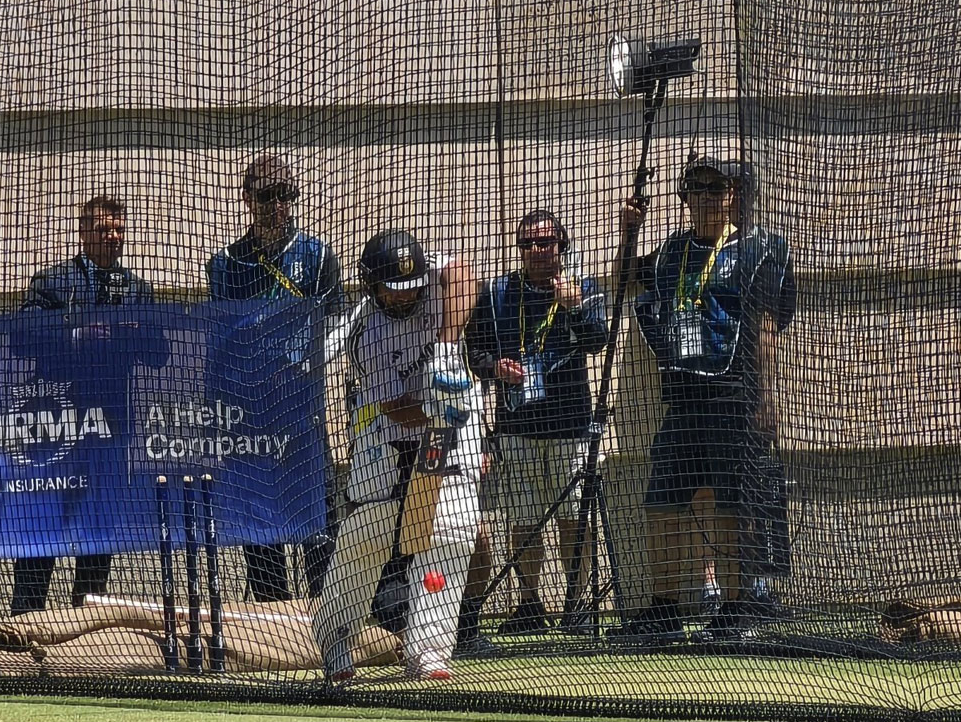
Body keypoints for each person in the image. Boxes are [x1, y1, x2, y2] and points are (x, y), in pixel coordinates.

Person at [615, 155, 796, 642]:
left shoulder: (762, 250)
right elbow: (625, 280)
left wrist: (766, 397)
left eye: (714, 188)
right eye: (693, 189)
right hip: (682, 396)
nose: (703, 198)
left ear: (736, 195)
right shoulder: (674, 250)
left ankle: (737, 607)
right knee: (662, 504)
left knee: (731, 505)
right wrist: (630, 230)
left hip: (732, 396)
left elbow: (767, 328)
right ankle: (664, 607)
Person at [315, 229, 482, 681]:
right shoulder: (363, 332)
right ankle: (336, 642)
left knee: (451, 528)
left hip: (446, 433)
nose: (405, 296)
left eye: (411, 287)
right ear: (372, 284)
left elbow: (466, 274)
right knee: (367, 535)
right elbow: (398, 410)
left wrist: (447, 348)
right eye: (393, 288)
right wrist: (431, 400)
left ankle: (428, 651)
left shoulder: (433, 279)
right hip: (386, 436)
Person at [206, 154, 343, 603]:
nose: (279, 205)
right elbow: (220, 334)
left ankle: (324, 614)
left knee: (317, 521)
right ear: (247, 199)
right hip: (249, 412)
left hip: (302, 410)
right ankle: (271, 614)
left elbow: (336, 327)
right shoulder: (226, 263)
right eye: (268, 196)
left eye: (288, 195)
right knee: (260, 521)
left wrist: (299, 360)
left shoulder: (317, 256)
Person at [11, 195, 156, 616]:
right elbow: (22, 338)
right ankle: (27, 617)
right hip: (55, 426)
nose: (113, 237)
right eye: (103, 229)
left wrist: (131, 333)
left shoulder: (136, 289)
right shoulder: (54, 282)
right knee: (43, 524)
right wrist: (79, 334)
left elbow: (160, 351)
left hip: (109, 426)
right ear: (83, 233)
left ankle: (85, 622)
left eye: (118, 229)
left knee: (99, 528)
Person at [465, 209, 607, 634]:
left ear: (562, 245)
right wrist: (496, 368)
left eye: (545, 242)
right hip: (517, 426)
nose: (537, 251)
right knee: (523, 519)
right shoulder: (498, 293)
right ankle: (529, 603)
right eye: (528, 244)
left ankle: (576, 603)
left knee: (572, 517)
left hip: (570, 424)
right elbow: (476, 354)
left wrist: (576, 308)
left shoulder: (582, 287)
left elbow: (598, 340)